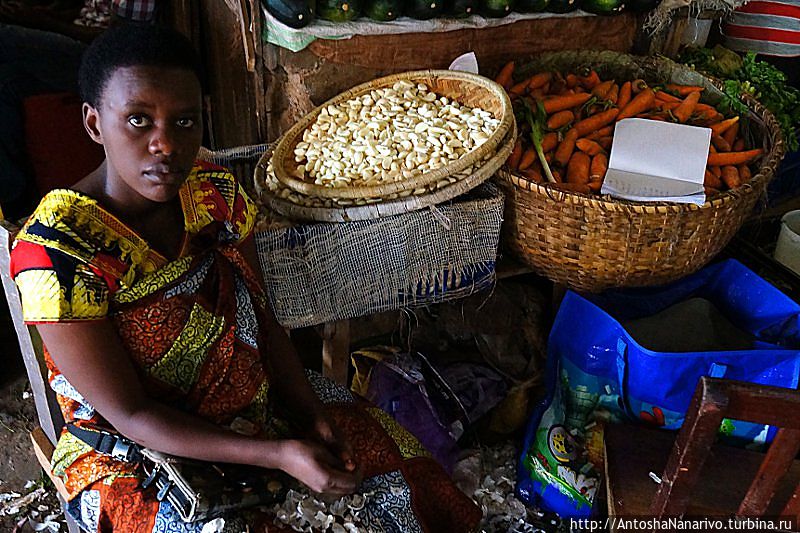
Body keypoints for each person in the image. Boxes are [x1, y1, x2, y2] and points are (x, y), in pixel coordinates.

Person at [9, 24, 481, 532]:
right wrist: (277, 454)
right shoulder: (57, 251)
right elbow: (130, 414)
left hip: (248, 398)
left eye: (184, 121)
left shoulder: (214, 195)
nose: (165, 145)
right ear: (95, 123)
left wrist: (308, 413)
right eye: (139, 121)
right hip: (131, 453)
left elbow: (263, 317)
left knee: (405, 470)